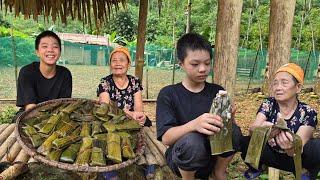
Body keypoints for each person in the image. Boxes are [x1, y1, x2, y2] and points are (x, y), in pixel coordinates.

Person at [156, 33, 242, 180]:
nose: (202, 69)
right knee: (192, 141)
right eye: (195, 64)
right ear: (181, 64)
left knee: (235, 131)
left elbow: (227, 133)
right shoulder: (168, 94)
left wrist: (229, 117)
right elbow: (166, 138)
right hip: (182, 159)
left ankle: (219, 172)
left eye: (207, 63)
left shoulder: (216, 91)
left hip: (212, 157)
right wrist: (195, 124)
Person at [241, 63, 320, 179]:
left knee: (316, 148)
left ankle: (304, 171)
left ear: (298, 87)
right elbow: (252, 130)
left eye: (284, 83)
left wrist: (290, 147)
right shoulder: (269, 104)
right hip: (270, 153)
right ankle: (257, 165)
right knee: (244, 141)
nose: (278, 87)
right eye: (275, 83)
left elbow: (299, 146)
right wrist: (262, 131)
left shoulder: (308, 112)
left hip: (294, 158)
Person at [97, 46, 153, 179]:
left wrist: (138, 116)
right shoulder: (105, 82)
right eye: (114, 60)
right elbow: (105, 107)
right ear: (110, 64)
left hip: (132, 119)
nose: (117, 63)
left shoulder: (134, 82)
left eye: (122, 60)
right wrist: (129, 114)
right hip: (111, 119)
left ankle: (149, 162)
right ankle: (108, 169)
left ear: (128, 63)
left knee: (147, 129)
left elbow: (139, 108)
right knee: (104, 134)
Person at [14, 30, 72, 121]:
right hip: (30, 114)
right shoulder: (27, 72)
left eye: (55, 47)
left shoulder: (65, 74)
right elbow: (30, 108)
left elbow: (64, 106)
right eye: (44, 46)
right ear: (37, 52)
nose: (50, 50)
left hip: (56, 116)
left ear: (60, 52)